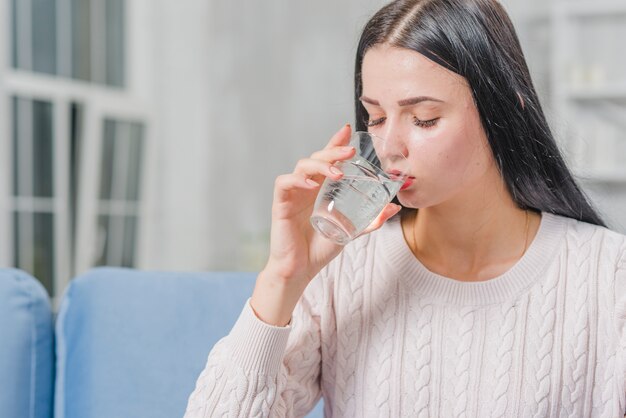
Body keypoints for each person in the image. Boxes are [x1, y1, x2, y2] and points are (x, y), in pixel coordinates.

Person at [184, 0, 626, 416]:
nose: (389, 146)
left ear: (507, 108)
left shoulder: (609, 278)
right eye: (375, 117)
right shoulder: (344, 273)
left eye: (424, 119)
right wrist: (282, 278)